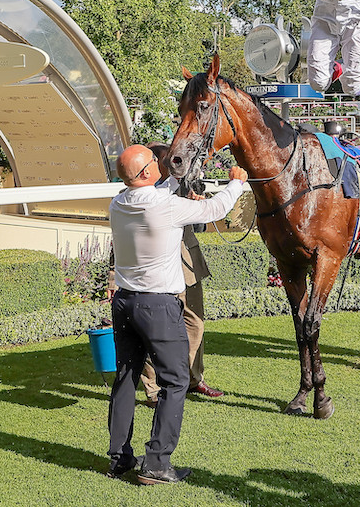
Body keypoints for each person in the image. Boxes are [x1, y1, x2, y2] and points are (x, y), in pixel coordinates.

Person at [106, 144, 247, 484]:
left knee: (126, 378)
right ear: (146, 173)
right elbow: (216, 208)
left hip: (125, 302)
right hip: (157, 305)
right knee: (176, 381)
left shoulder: (119, 203)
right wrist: (236, 183)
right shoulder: (165, 206)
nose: (160, 163)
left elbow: (158, 194)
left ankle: (120, 458)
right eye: (156, 161)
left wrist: (175, 181)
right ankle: (156, 463)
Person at [139, 144, 225, 408]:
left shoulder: (182, 186)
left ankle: (192, 379)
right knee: (156, 332)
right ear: (156, 165)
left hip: (189, 266)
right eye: (172, 161)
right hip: (157, 273)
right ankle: (154, 390)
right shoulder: (136, 196)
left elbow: (198, 217)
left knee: (196, 323)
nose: (180, 165)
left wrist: (194, 203)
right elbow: (120, 241)